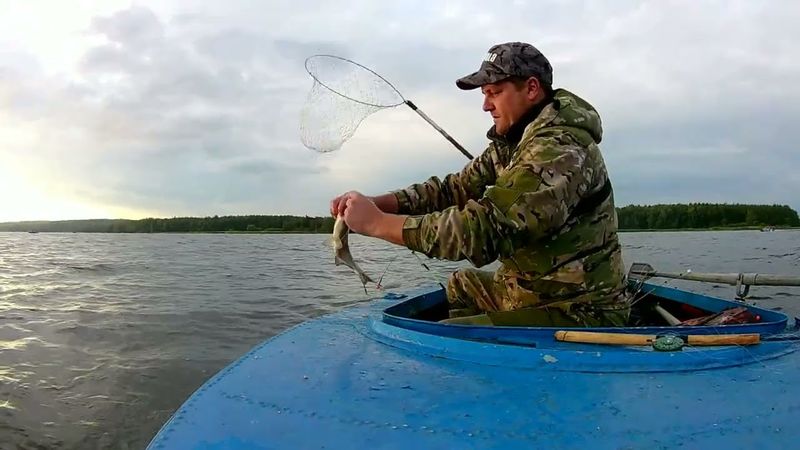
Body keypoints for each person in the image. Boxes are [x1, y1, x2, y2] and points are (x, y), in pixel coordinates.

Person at [330, 42, 630, 327]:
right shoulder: (511, 144)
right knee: (461, 285)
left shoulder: (558, 148)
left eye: (494, 93)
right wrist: (378, 203)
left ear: (531, 88)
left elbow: (486, 229)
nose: (486, 106)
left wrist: (378, 224)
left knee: (450, 334)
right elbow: (454, 189)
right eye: (484, 94)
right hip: (526, 289)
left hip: (575, 306)